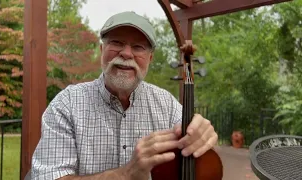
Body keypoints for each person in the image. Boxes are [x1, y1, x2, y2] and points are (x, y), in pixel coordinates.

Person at [31, 11, 218, 180]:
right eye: (117, 43)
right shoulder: (67, 104)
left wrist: (201, 136)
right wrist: (126, 174)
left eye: (138, 47)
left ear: (150, 59)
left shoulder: (166, 104)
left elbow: (195, 149)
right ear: (101, 50)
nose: (127, 53)